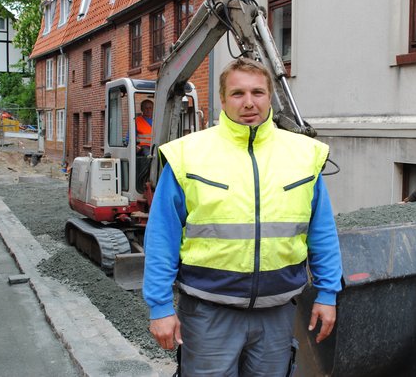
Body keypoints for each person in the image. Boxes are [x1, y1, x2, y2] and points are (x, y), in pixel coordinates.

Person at [143, 58, 343, 376]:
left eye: (257, 92)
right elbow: (161, 238)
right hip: (208, 313)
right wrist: (160, 307)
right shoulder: (188, 156)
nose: (249, 102)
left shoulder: (304, 155)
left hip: (276, 315)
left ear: (269, 96)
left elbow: (321, 232)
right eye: (237, 93)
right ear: (222, 100)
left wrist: (328, 293)